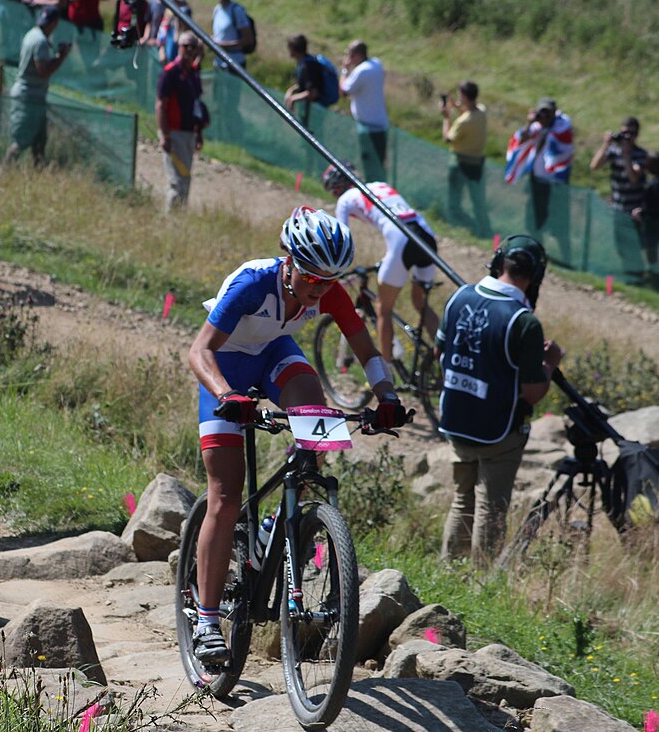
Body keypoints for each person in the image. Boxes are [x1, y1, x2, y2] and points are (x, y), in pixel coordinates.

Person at [187, 206, 407, 662]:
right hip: (224, 366)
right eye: (311, 279)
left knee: (318, 418)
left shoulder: (328, 290)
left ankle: (274, 527)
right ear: (288, 260)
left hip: (273, 357)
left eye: (329, 281)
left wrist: (385, 396)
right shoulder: (253, 282)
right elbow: (199, 349)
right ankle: (206, 619)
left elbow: (364, 347)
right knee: (225, 497)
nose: (319, 290)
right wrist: (228, 394)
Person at [437, 235, 565, 567]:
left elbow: (439, 351)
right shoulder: (524, 323)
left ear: (498, 263)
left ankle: (449, 570)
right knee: (490, 508)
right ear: (535, 276)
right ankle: (481, 581)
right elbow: (532, 391)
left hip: (456, 422)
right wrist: (549, 363)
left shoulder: (459, 297)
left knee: (462, 501)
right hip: (498, 432)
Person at [323, 162, 440, 369]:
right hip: (425, 235)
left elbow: (340, 239)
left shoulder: (344, 200)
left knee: (383, 309)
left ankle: (385, 375)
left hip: (401, 239)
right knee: (420, 303)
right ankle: (446, 360)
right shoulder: (379, 185)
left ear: (337, 188)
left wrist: (335, 271)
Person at [505, 98, 573, 266]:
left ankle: (566, 259)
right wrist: (530, 123)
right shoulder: (537, 127)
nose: (544, 116)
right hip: (536, 183)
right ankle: (538, 253)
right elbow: (522, 140)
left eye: (547, 113)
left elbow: (560, 146)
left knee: (560, 226)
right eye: (541, 112)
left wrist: (545, 129)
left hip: (555, 185)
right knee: (533, 221)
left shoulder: (561, 127)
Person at [3, 6, 70, 166]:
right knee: (21, 141)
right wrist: (61, 57)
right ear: (55, 23)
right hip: (29, 96)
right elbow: (43, 71)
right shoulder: (40, 41)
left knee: (39, 141)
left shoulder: (32, 34)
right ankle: (3, 170)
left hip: (33, 96)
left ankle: (38, 172)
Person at [590, 117, 650, 282]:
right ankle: (628, 275)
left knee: (635, 244)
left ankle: (637, 276)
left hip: (634, 209)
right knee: (621, 245)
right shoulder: (613, 151)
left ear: (636, 135)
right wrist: (606, 144)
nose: (627, 136)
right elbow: (594, 166)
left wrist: (626, 156)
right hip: (617, 207)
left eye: (631, 133)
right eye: (624, 132)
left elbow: (634, 179)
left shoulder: (641, 155)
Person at [155, 32, 204, 212]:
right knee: (177, 181)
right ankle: (170, 221)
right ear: (179, 47)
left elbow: (196, 105)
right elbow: (161, 104)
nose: (190, 50)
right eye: (186, 46)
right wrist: (165, 134)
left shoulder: (192, 74)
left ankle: (179, 218)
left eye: (193, 47)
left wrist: (198, 133)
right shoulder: (170, 73)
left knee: (185, 178)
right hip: (174, 132)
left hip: (189, 132)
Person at [441, 80, 491, 238]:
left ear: (463, 96)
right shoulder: (481, 112)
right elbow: (468, 112)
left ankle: (466, 226)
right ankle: (484, 230)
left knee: (454, 203)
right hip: (477, 163)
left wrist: (446, 117)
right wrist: (455, 106)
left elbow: (447, 138)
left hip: (460, 163)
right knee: (478, 202)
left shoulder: (463, 122)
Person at [340, 40, 388, 184]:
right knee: (379, 164)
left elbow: (344, 90)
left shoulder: (361, 71)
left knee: (370, 165)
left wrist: (344, 70)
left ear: (356, 55)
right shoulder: (376, 64)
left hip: (367, 125)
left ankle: (371, 192)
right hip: (381, 122)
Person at [210, 0, 251, 137]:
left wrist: (223, 46)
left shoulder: (236, 11)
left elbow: (247, 39)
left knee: (230, 105)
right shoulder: (217, 10)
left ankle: (235, 136)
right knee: (218, 101)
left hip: (234, 64)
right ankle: (220, 133)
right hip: (219, 64)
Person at [631, 153, 659, 284]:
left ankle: (654, 278)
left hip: (652, 226)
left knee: (651, 253)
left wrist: (641, 213)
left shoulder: (651, 185)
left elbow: (651, 208)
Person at [282, 34, 323, 115]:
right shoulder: (304, 61)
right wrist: (291, 90)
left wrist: (293, 99)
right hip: (307, 108)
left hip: (313, 111)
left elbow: (312, 93)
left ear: (293, 49)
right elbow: (303, 85)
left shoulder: (308, 66)